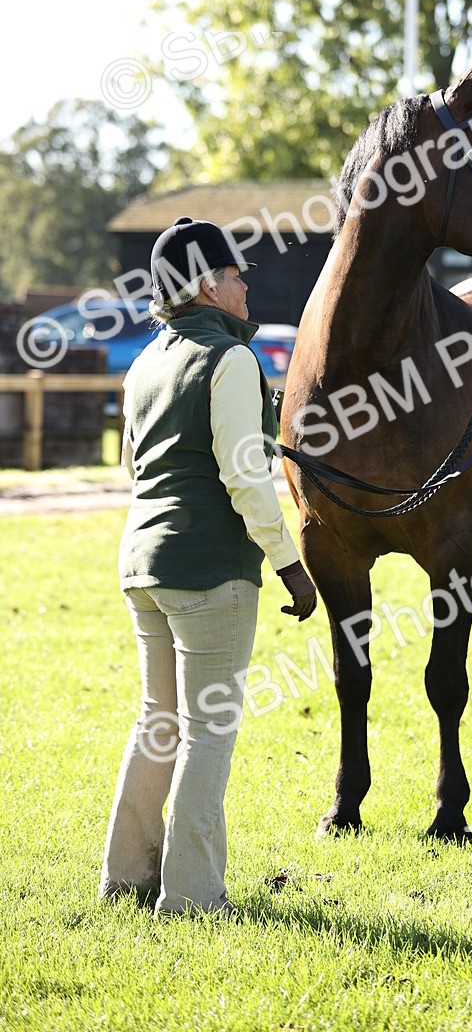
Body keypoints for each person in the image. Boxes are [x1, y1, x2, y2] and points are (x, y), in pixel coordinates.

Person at [98, 215, 316, 919]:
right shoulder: (232, 361)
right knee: (206, 732)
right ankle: (192, 897)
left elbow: (136, 464)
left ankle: (126, 878)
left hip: (141, 562)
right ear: (204, 285)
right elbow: (244, 481)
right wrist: (290, 565)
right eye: (233, 274)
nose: (245, 283)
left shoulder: (145, 362)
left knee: (156, 723)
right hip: (208, 568)